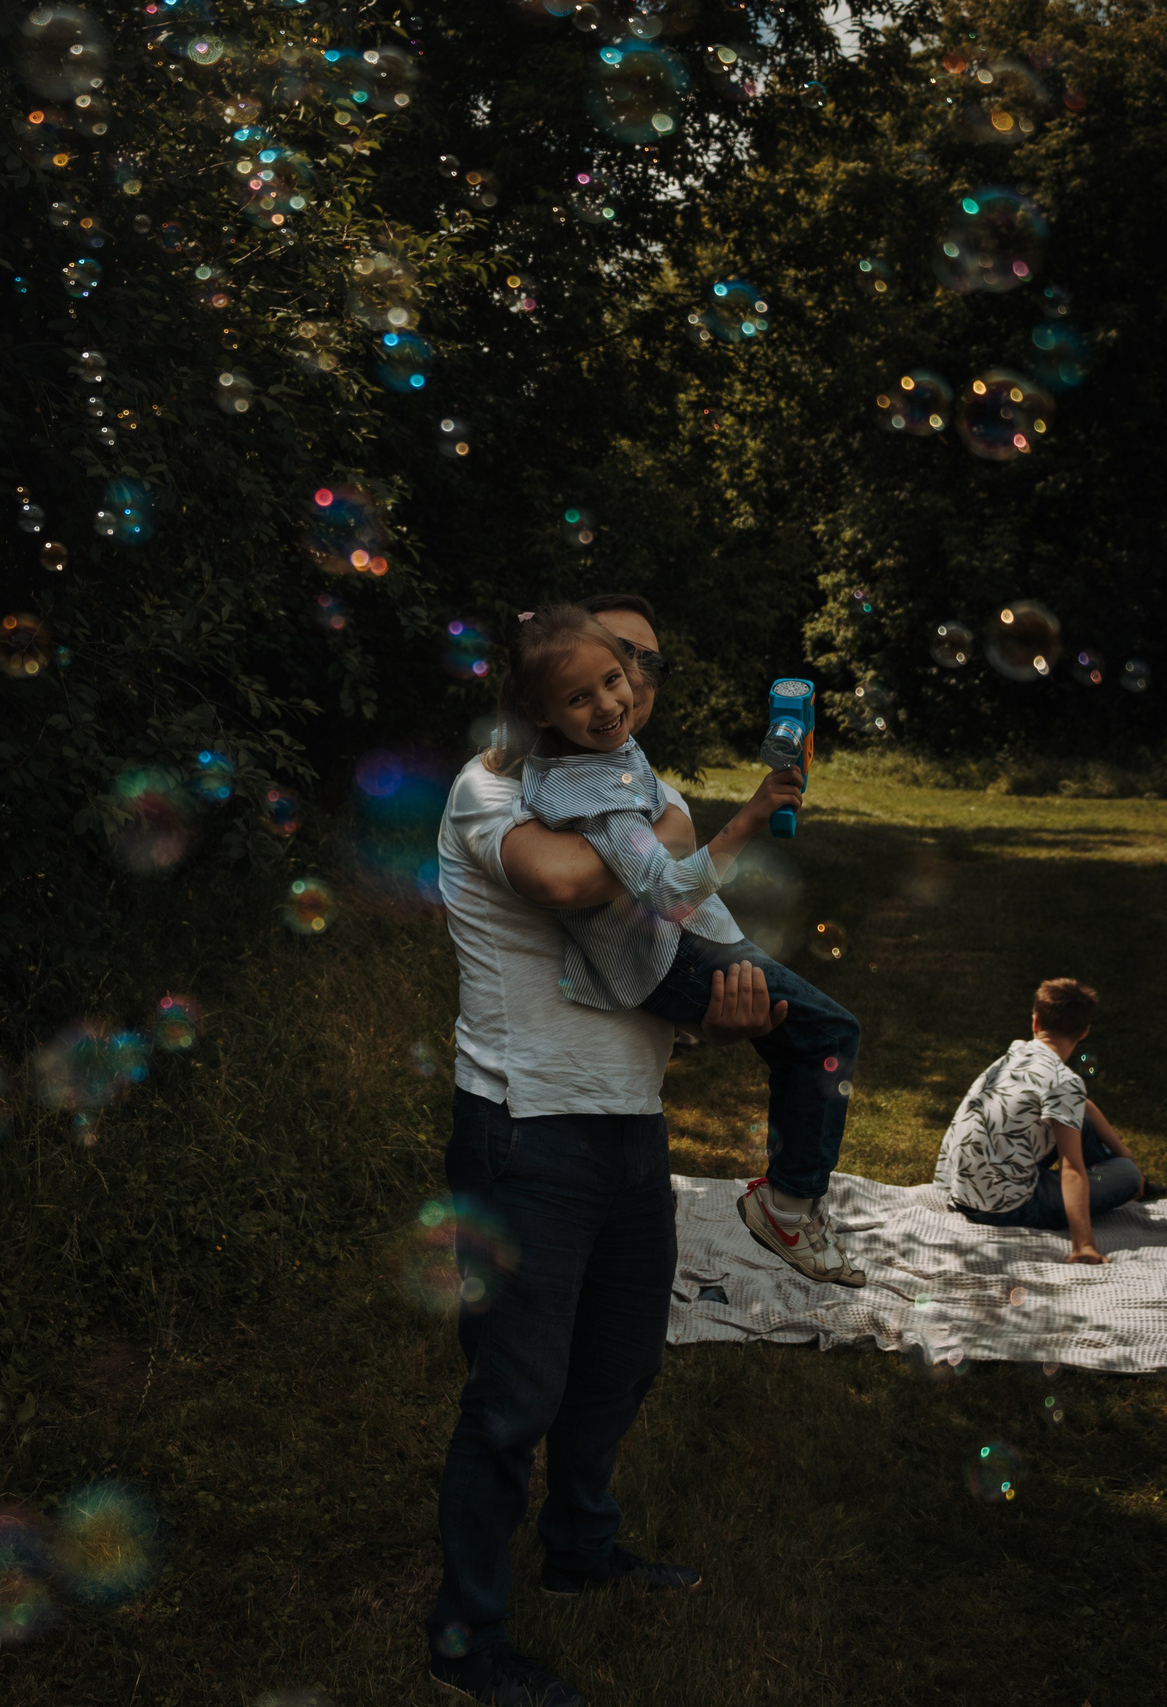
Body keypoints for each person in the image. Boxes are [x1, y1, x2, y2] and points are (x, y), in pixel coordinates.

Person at [427, 594, 788, 1707]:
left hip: (629, 1122)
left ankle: (581, 1550)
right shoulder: (496, 784)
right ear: (542, 694)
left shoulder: (639, 788)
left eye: (638, 669)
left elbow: (654, 955)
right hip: (521, 1128)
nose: (622, 688)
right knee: (511, 1397)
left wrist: (716, 1019)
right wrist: (696, 832)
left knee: (621, 1365)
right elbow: (569, 884)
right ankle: (467, 1640)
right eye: (598, 671)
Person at [493, 603, 865, 1286]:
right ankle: (787, 1207)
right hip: (674, 947)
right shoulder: (591, 796)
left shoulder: (584, 755)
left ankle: (788, 1195)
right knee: (831, 1031)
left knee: (803, 1038)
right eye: (582, 694)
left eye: (620, 677)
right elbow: (671, 896)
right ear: (544, 712)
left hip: (677, 943)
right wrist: (749, 817)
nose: (611, 701)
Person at [931, 978, 1146, 1263]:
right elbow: (1071, 1168)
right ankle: (1111, 1175)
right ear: (1084, 1032)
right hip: (1003, 1206)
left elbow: (1081, 1106)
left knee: (1083, 1127)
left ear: (1035, 1023)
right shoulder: (1063, 1081)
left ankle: (1108, 1170)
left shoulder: (1016, 1055)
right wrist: (1083, 1244)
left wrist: (1124, 1151)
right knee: (1127, 1174)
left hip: (963, 1189)